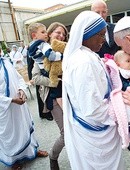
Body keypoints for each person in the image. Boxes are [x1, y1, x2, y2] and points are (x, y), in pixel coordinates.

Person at [62, 10, 124, 170]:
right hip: (95, 131)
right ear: (85, 35)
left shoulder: (88, 55)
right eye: (100, 35)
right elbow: (93, 109)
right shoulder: (83, 63)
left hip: (98, 128)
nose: (104, 40)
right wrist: (122, 113)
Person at [0, 48, 48, 170]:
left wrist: (21, 90)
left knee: (24, 127)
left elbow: (19, 78)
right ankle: (13, 160)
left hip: (19, 105)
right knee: (10, 134)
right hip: (4, 109)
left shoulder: (5, 61)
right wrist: (11, 100)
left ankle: (32, 151)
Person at [31, 22, 68, 170]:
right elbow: (35, 78)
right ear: (50, 33)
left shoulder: (66, 52)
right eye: (58, 33)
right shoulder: (41, 54)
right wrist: (54, 81)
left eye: (64, 34)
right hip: (53, 97)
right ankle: (53, 157)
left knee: (76, 128)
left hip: (69, 96)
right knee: (65, 133)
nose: (61, 36)